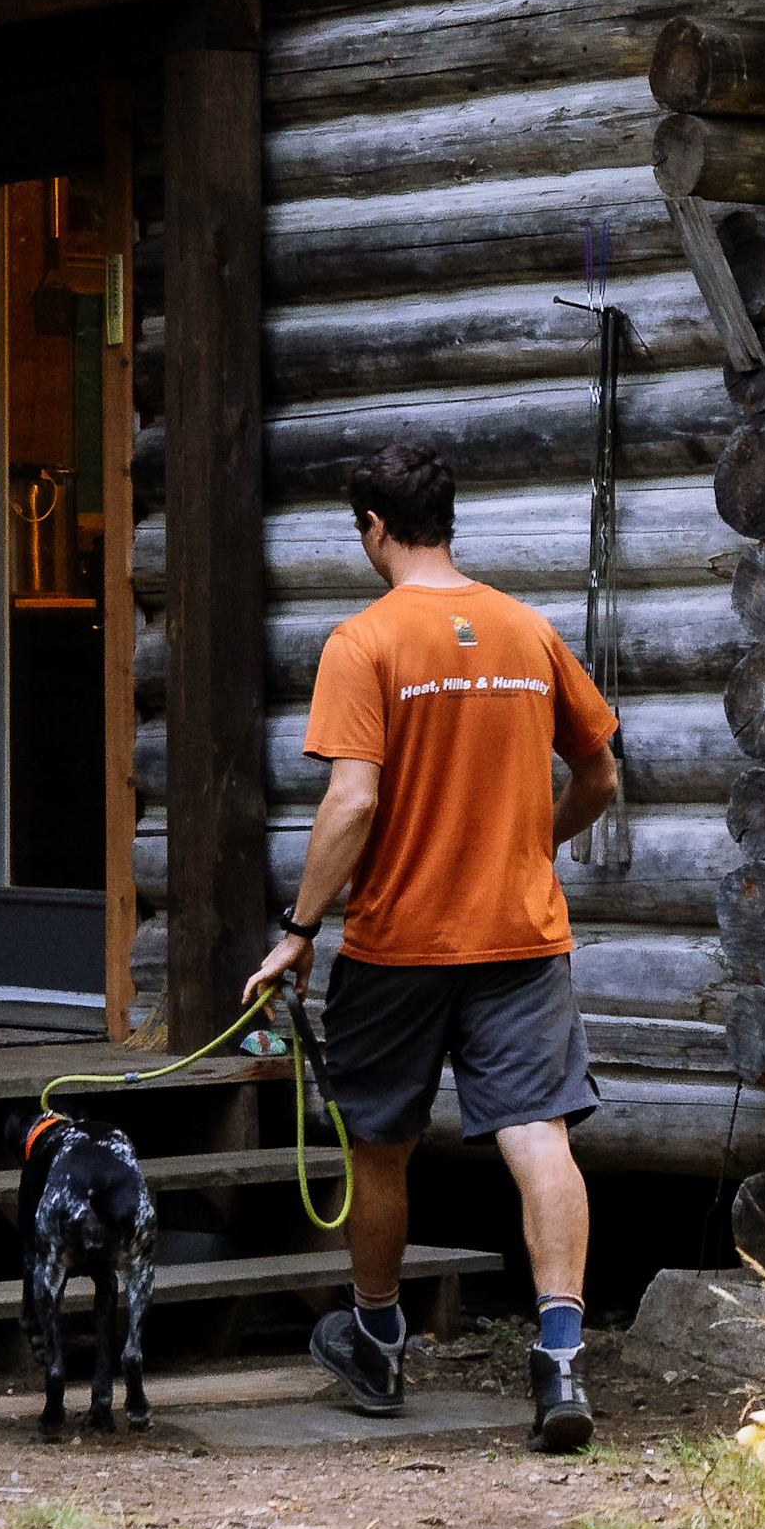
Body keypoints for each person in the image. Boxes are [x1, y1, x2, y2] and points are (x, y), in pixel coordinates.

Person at [241, 425, 618, 1453]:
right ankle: (561, 1357)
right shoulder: (527, 630)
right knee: (537, 1137)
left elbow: (352, 804)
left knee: (381, 1147)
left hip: (399, 945)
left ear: (374, 528)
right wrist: (532, 840)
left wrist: (299, 928)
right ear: (446, 522)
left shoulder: (363, 644)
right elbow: (603, 773)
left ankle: (376, 1340)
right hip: (522, 938)